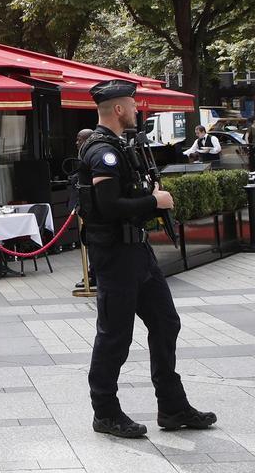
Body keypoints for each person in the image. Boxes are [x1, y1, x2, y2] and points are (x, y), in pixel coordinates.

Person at [78, 80, 216, 439]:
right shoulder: (101, 152)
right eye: (133, 105)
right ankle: (104, 412)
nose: (138, 111)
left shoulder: (121, 148)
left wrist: (147, 196)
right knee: (115, 336)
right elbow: (108, 206)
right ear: (119, 109)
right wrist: (156, 202)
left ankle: (172, 406)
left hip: (138, 252)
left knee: (166, 322)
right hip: (115, 256)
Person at [70, 128, 96, 290]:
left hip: (93, 208)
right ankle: (92, 273)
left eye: (80, 139)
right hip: (85, 206)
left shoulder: (92, 155)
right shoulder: (83, 156)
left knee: (94, 243)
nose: (77, 142)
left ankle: (94, 275)